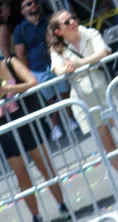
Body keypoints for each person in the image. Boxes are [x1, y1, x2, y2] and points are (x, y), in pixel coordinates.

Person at [47, 11, 118, 195]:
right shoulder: (57, 49)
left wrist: (79, 64)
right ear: (58, 31)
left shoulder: (89, 33)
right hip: (83, 98)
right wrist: (68, 69)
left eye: (73, 18)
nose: (73, 22)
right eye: (66, 22)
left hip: (106, 89)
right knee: (106, 141)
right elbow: (59, 70)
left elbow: (103, 52)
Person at [0, 54, 71, 222]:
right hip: (5, 128)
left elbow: (33, 82)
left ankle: (62, 206)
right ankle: (36, 216)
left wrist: (8, 89)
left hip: (26, 120)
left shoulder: (10, 63)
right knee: (21, 174)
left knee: (44, 165)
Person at [13, 0, 72, 140]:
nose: (33, 5)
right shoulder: (20, 29)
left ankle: (70, 120)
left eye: (34, 2)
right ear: (23, 11)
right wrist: (27, 74)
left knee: (65, 93)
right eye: (28, 4)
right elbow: (20, 53)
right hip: (37, 69)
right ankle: (56, 127)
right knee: (49, 99)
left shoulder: (49, 20)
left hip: (55, 62)